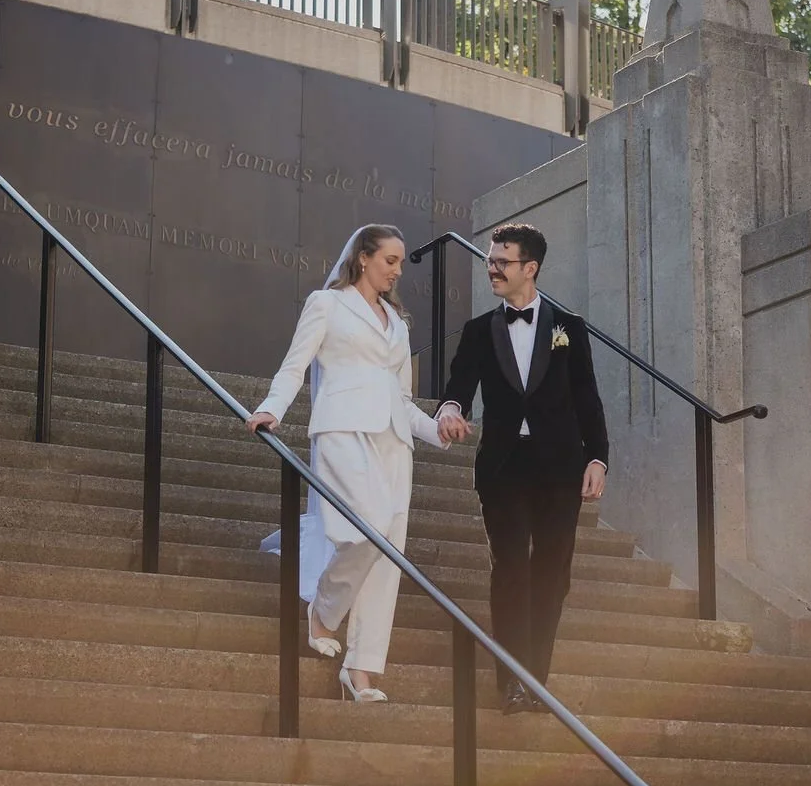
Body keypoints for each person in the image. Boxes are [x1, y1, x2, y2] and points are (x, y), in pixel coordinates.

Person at [247, 225, 446, 704]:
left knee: (388, 556)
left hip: (394, 443)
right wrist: (273, 407)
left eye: (400, 262)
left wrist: (437, 430)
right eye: (390, 261)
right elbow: (296, 364)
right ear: (363, 258)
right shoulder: (327, 304)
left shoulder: (397, 325)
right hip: (341, 432)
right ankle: (325, 608)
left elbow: (402, 397)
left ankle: (361, 671)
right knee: (366, 530)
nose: (397, 271)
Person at [436, 222, 608, 714]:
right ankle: (510, 681)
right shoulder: (477, 330)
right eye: (490, 259)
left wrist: (598, 456)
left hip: (560, 468)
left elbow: (587, 397)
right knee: (511, 568)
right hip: (504, 469)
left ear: (529, 268)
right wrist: (449, 408)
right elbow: (458, 387)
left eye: (502, 261)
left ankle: (538, 682)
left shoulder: (568, 328)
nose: (492, 268)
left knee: (552, 574)